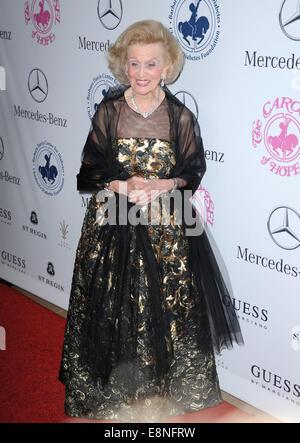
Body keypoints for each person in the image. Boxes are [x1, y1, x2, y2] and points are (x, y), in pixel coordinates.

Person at [58, 19, 243, 422]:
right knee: (113, 307)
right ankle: (113, 394)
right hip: (112, 224)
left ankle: (164, 396)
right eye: (134, 64)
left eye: (151, 65)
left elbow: (193, 172)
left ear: (167, 67)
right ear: (124, 65)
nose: (141, 73)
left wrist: (162, 184)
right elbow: (88, 172)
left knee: (170, 311)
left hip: (167, 228)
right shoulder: (109, 110)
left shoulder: (179, 116)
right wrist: (121, 186)